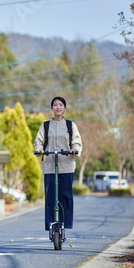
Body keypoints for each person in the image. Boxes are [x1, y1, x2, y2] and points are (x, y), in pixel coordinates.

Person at [34, 96, 82, 232]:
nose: (58, 107)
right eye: (55, 105)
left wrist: (74, 150)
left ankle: (64, 224)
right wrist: (39, 149)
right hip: (50, 165)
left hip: (66, 165)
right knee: (50, 197)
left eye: (61, 105)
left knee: (65, 195)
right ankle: (51, 224)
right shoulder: (45, 125)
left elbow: (76, 142)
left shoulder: (70, 125)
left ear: (65, 108)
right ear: (51, 108)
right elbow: (39, 141)